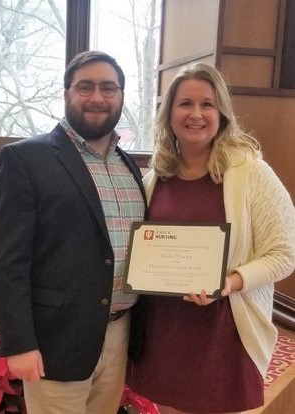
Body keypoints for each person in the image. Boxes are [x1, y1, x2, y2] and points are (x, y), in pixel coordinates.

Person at [127, 62, 295, 414]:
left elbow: (284, 253)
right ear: (170, 112)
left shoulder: (250, 172)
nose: (196, 114)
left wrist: (230, 282)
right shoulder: (155, 177)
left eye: (207, 104)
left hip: (225, 336)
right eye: (185, 103)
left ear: (222, 113)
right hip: (166, 334)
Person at [0, 51, 147, 414]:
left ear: (121, 96)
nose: (97, 97)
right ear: (66, 94)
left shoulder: (129, 167)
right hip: (56, 339)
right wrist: (18, 342)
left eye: (109, 88)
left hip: (120, 331)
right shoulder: (25, 159)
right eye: (85, 86)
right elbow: (5, 261)